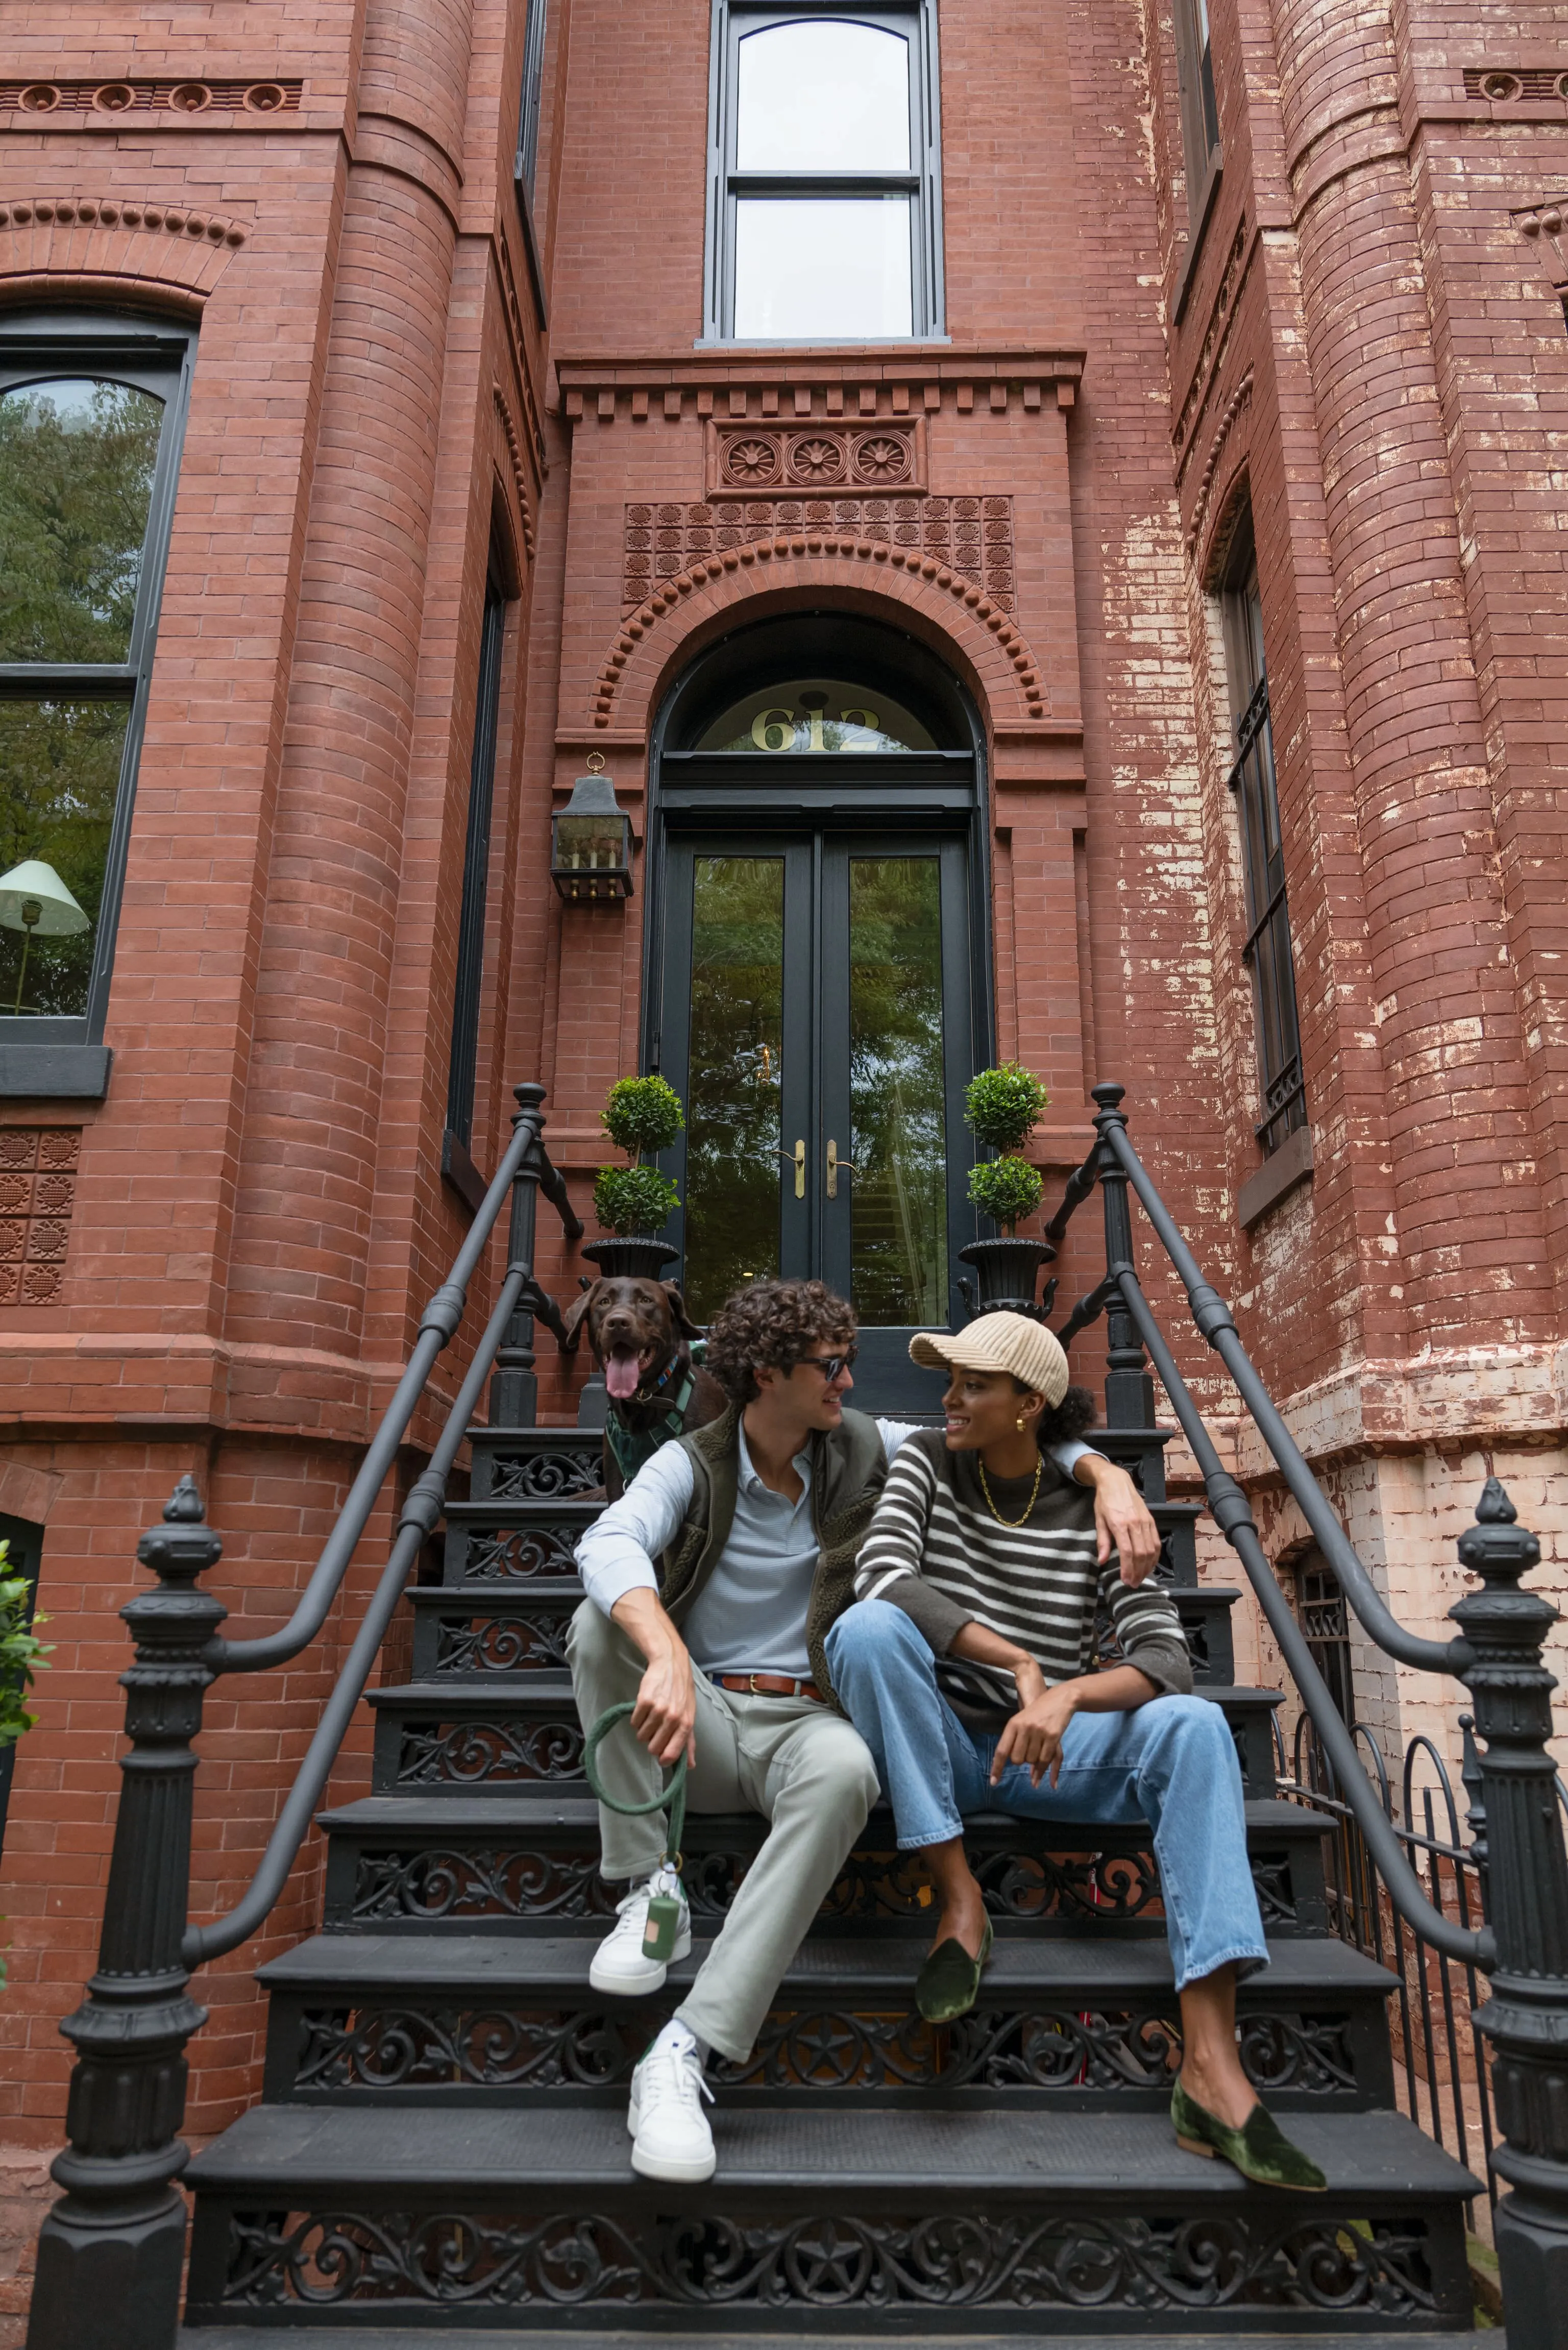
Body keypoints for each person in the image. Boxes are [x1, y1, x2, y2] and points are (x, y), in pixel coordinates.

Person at [568, 1276, 1160, 2185]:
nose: (850, 1380)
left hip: (807, 1719)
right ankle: (650, 1886)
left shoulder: (865, 1446)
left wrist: (1109, 1473)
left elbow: (1011, 1431)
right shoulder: (689, 1461)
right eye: (831, 1366)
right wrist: (668, 1656)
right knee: (599, 1622)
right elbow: (607, 1544)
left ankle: (684, 2051)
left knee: (849, 1772)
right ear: (769, 1376)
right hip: (705, 1723)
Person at [825, 1310, 1327, 2194]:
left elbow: (1167, 1659)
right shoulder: (925, 1465)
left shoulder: (1101, 1512)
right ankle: (959, 1903)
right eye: (951, 1381)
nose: (948, 1399)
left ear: (1028, 1405)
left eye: (971, 1384)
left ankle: (1213, 2071)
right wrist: (1019, 1660)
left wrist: (1066, 1694)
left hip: (1041, 1757)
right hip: (930, 1742)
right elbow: (884, 1577)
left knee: (1198, 1726)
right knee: (867, 1629)